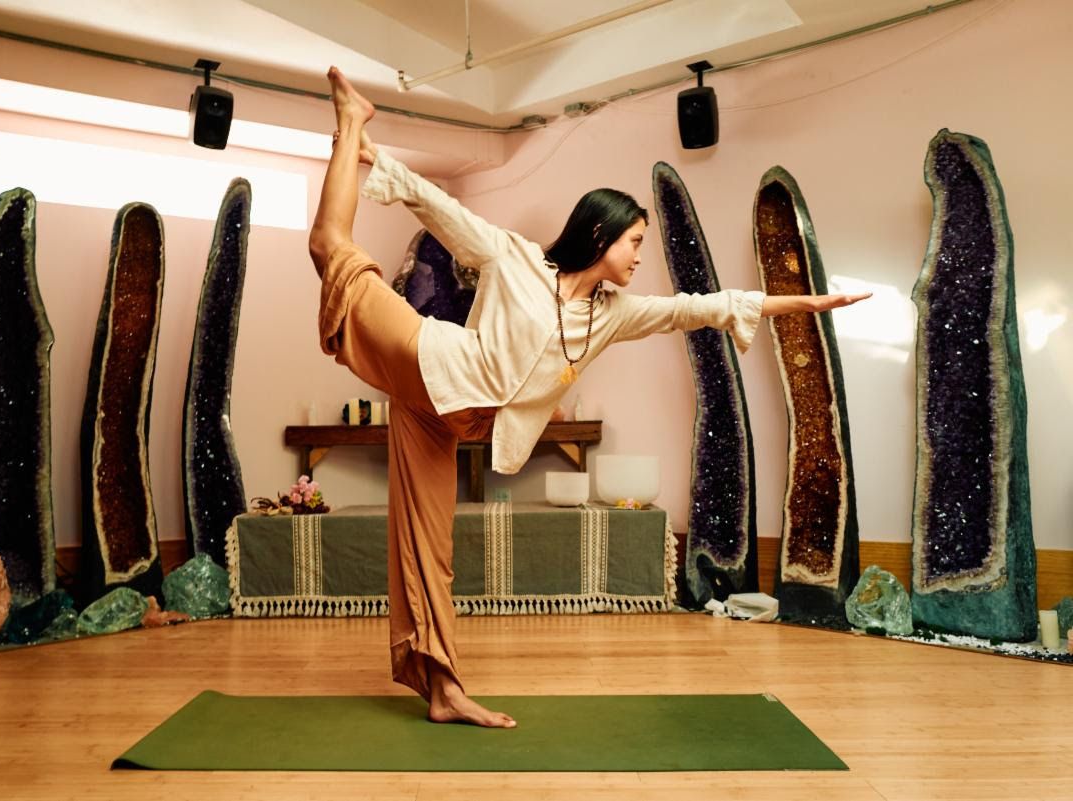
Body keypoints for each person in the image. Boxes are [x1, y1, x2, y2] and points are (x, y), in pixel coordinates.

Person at [309, 67, 869, 729]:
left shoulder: (612, 315)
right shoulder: (515, 260)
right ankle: (350, 120)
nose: (639, 256)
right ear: (600, 237)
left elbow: (697, 308)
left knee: (431, 549)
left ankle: (443, 690)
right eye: (634, 242)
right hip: (433, 362)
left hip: (454, 418)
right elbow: (443, 211)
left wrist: (800, 301)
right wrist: (385, 165)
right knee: (330, 248)